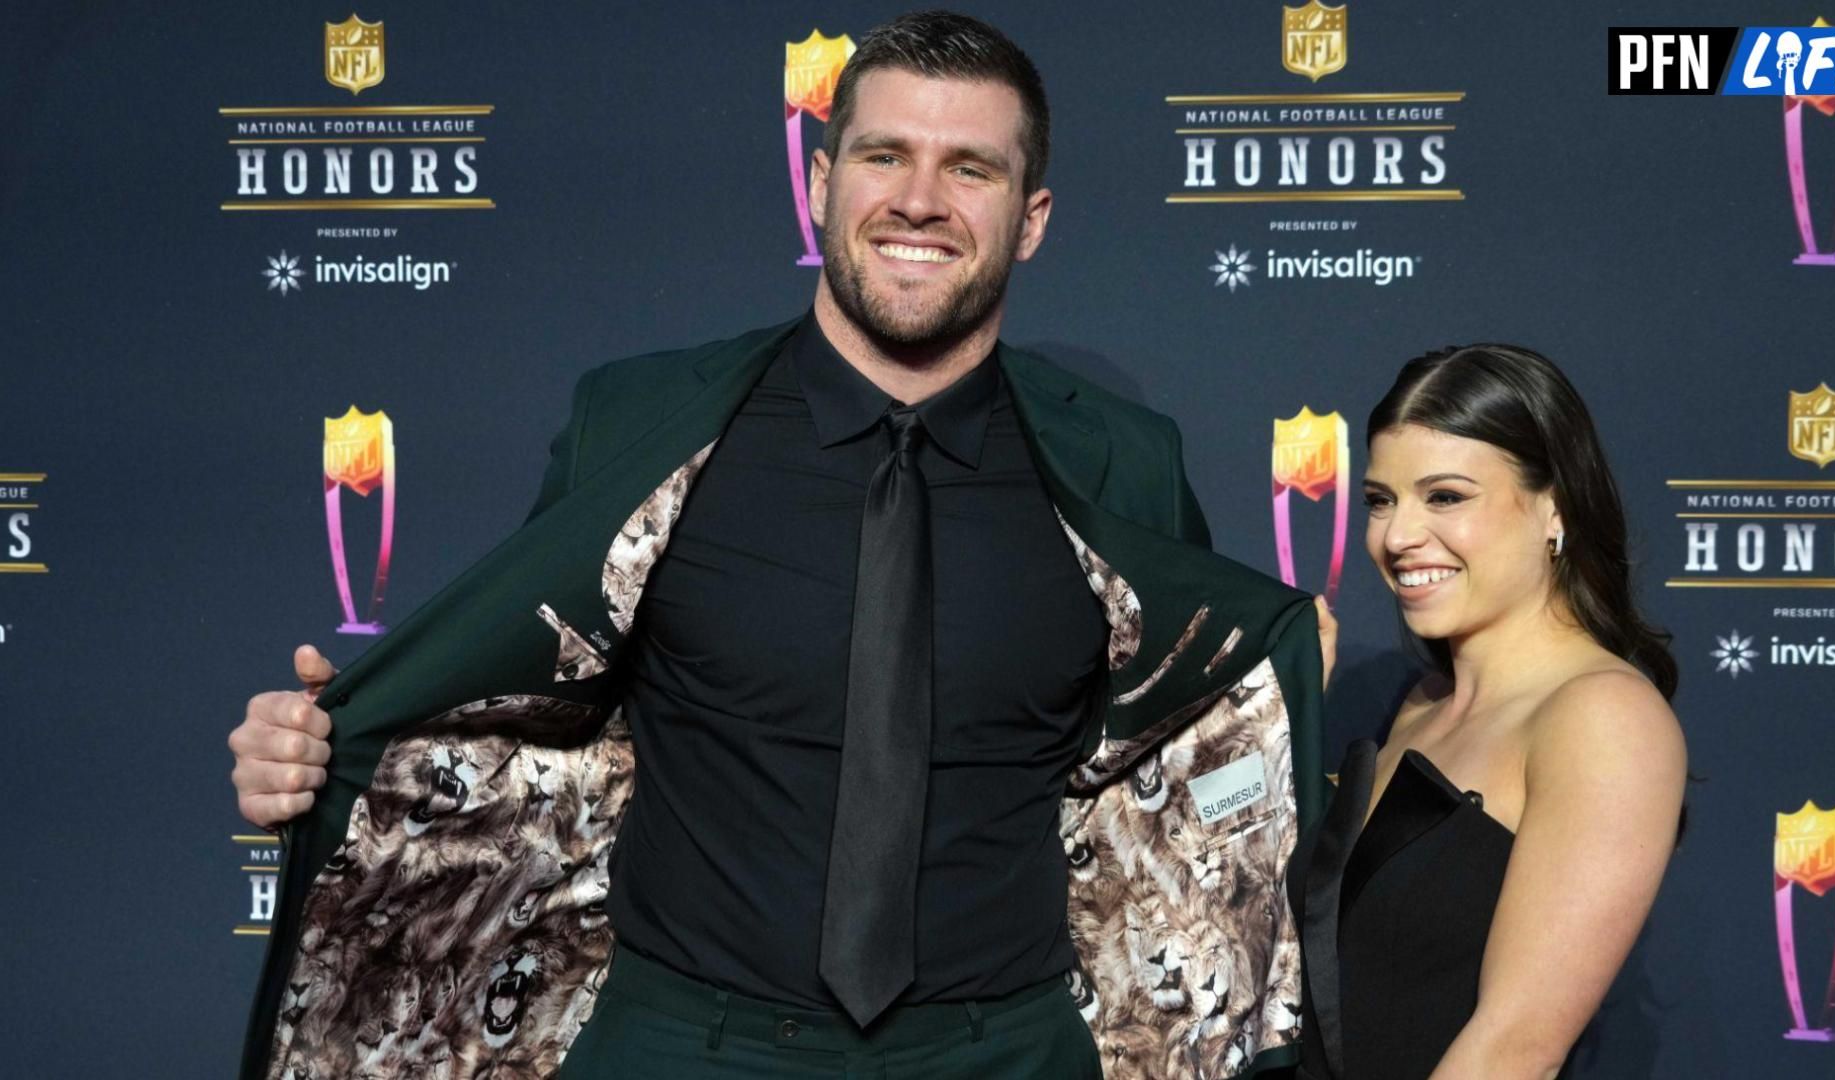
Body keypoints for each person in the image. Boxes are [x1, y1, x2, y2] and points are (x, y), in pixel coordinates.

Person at [228, 12, 1334, 1080]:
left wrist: (1277, 692)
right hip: (679, 1043)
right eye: (884, 155)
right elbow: (513, 706)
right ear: (818, 181)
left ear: (1031, 218)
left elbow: (1176, 749)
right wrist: (321, 751)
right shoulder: (641, 428)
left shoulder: (1123, 462)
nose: (917, 200)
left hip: (1008, 1047)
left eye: (970, 170)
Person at [1290, 344, 1687, 1080]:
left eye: (1445, 497)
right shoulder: (1419, 705)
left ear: (1554, 507)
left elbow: (1515, 1049)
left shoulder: (1602, 718)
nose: (1397, 537)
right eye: (1381, 500)